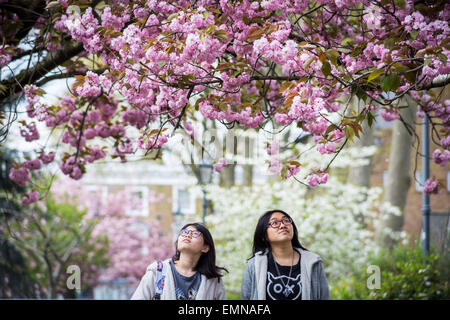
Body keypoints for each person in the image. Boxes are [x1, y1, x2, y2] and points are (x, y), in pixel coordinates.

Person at [241, 209, 329, 300]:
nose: (283, 225)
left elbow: (324, 297)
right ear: (264, 236)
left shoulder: (313, 262)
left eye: (286, 221)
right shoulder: (254, 265)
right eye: (275, 223)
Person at [131, 222, 228, 300]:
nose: (187, 235)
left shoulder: (213, 280)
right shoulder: (158, 271)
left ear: (205, 248)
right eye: (184, 232)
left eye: (195, 233)